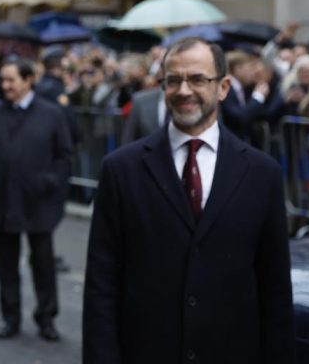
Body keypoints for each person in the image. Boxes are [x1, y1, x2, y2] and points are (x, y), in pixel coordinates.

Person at [84, 37, 294, 363]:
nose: (183, 90)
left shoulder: (261, 173)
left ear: (223, 87)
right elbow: (102, 283)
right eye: (173, 80)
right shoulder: (121, 170)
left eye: (197, 79)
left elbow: (275, 288)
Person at [0, 59, 73, 341]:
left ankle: (46, 318)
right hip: (4, 202)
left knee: (44, 265)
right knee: (6, 265)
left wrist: (50, 182)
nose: (5, 86)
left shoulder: (51, 113)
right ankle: (11, 318)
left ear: (28, 80)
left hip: (39, 203)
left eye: (11, 80)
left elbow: (65, 156)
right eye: (3, 80)